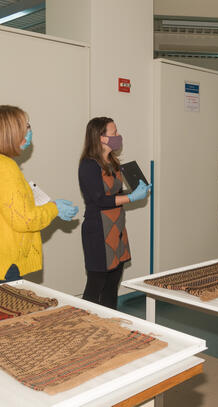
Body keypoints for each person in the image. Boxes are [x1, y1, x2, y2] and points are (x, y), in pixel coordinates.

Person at [0, 105, 79, 288]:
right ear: (10, 132)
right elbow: (25, 219)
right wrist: (54, 208)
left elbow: (1, 209)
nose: (29, 131)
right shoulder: (5, 167)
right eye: (26, 126)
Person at [78, 117, 151, 309]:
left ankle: (111, 326)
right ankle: (85, 328)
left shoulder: (112, 161)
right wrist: (132, 198)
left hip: (116, 228)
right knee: (96, 284)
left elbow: (115, 193)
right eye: (114, 133)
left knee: (112, 284)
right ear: (101, 138)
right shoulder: (88, 165)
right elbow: (100, 200)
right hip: (98, 231)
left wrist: (135, 191)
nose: (118, 136)